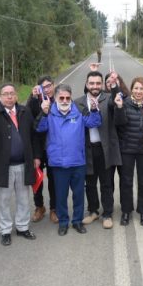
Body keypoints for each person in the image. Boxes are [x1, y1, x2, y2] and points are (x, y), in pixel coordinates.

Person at [0, 83, 41, 246]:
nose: (9, 96)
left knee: (23, 199)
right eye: (5, 94)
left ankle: (22, 227)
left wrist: (36, 156)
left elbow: (34, 135)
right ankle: (5, 230)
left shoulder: (24, 111)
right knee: (3, 201)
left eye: (12, 93)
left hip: (23, 164)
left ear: (16, 95)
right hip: (3, 166)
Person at [36, 83, 101, 235]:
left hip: (77, 162)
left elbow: (94, 122)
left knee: (78, 195)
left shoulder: (79, 111)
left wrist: (94, 110)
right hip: (58, 163)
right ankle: (63, 222)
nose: (65, 101)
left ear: (71, 98)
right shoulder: (49, 112)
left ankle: (77, 221)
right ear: (56, 98)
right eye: (61, 98)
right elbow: (39, 128)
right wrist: (43, 113)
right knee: (61, 195)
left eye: (67, 98)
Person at [76, 71, 121, 229]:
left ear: (102, 84)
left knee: (106, 183)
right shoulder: (78, 102)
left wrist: (114, 85)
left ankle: (107, 213)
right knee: (90, 183)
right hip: (87, 149)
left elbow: (116, 100)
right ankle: (93, 211)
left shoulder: (108, 99)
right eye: (92, 83)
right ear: (87, 84)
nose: (95, 86)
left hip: (104, 149)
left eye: (97, 83)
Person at [116, 77, 143, 225]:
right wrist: (119, 108)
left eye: (141, 89)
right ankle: (126, 211)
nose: (138, 91)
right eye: (136, 88)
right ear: (131, 89)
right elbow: (119, 123)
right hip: (127, 149)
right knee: (126, 182)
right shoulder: (124, 104)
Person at [28, 75, 58, 224]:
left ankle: (54, 208)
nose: (47, 89)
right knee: (37, 180)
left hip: (53, 146)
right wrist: (32, 97)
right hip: (38, 147)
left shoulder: (59, 99)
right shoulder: (35, 101)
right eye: (43, 87)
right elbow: (28, 118)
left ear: (53, 85)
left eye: (49, 86)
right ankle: (39, 207)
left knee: (54, 179)